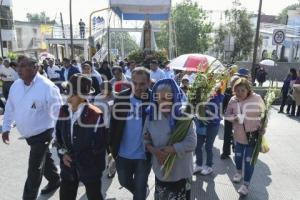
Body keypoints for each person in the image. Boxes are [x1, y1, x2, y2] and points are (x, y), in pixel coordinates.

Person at [1, 56, 62, 200]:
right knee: (44, 159)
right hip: (29, 136)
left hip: (43, 134)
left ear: (35, 68)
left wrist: (59, 138)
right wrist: (6, 128)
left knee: (34, 169)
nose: (18, 69)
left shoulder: (47, 87)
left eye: (23, 66)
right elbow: (9, 107)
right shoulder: (16, 85)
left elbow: (59, 114)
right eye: (18, 66)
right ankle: (55, 179)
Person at [55, 74, 106, 200]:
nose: (67, 95)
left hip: (90, 167)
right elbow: (58, 138)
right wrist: (63, 154)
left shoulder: (95, 114)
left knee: (94, 195)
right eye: (67, 91)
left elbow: (99, 146)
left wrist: (80, 160)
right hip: (68, 167)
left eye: (70, 92)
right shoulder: (64, 110)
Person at [144, 78, 196, 199]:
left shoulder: (184, 116)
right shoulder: (151, 116)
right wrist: (155, 151)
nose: (164, 102)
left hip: (181, 172)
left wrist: (170, 149)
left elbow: (192, 143)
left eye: (168, 98)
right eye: (160, 99)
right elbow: (145, 139)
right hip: (161, 170)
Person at [109, 67, 152, 200]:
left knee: (139, 193)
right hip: (122, 154)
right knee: (123, 181)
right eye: (134, 83)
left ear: (149, 83)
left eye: (142, 84)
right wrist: (110, 147)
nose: (138, 87)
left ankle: (140, 192)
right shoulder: (121, 97)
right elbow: (114, 124)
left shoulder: (154, 99)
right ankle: (141, 191)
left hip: (143, 155)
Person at [225, 78, 265, 196]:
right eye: (237, 90)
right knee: (237, 157)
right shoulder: (233, 100)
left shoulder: (257, 98)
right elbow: (227, 115)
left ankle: (246, 185)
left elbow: (264, 115)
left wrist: (263, 128)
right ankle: (238, 172)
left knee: (248, 161)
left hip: (252, 136)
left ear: (248, 90)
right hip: (238, 135)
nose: (239, 93)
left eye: (243, 90)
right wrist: (235, 118)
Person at [194, 85, 224, 175]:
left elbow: (214, 114)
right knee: (198, 145)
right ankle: (198, 164)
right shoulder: (200, 98)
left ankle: (209, 166)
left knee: (208, 146)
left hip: (212, 126)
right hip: (201, 125)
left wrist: (204, 110)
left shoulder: (217, 99)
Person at [220, 68, 249, 160]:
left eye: (236, 83)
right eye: (233, 83)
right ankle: (226, 152)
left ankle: (237, 149)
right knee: (227, 134)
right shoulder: (227, 91)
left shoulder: (243, 92)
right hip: (229, 116)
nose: (234, 85)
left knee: (239, 133)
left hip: (240, 116)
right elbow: (223, 102)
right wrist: (223, 112)